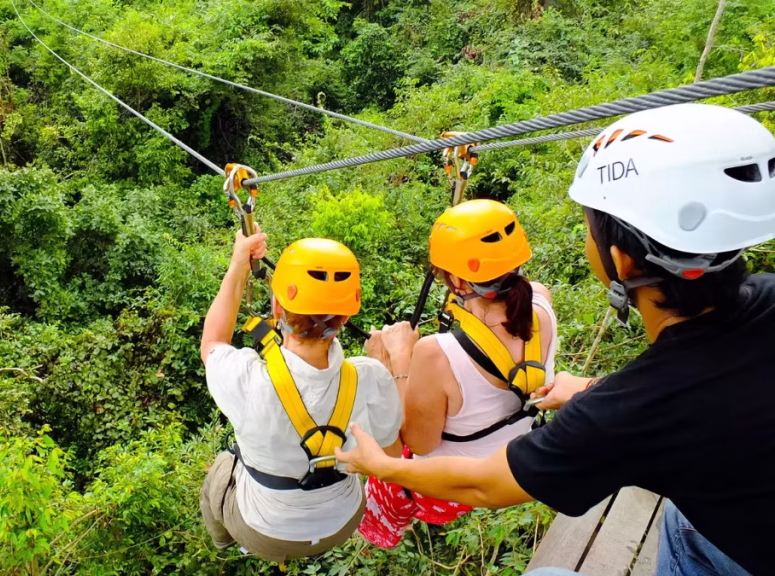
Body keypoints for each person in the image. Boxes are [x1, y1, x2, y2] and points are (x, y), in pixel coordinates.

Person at [335, 103, 775, 576]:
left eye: (589, 226)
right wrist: (588, 388)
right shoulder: (764, 297)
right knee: (681, 521)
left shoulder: (625, 413)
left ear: (621, 262)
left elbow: (481, 483)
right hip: (734, 525)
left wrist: (381, 457)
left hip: (741, 548)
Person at [358, 199, 558, 548]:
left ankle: (379, 528)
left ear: (455, 280)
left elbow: (418, 444)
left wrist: (395, 361)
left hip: (452, 484)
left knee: (383, 440)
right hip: (511, 459)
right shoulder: (540, 302)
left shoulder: (437, 353)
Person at [199, 229, 403, 562]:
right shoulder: (371, 377)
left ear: (278, 307)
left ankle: (224, 544)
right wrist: (391, 367)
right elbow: (393, 454)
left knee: (221, 471)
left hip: (265, 531)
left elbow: (212, 343)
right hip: (343, 520)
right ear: (346, 316)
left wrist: (238, 264)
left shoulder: (247, 379)